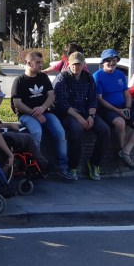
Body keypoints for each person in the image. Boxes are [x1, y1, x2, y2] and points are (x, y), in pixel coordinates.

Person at [12, 51, 75, 181]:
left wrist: (42, 108)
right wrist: (34, 113)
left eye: (41, 62)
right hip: (26, 115)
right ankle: (36, 167)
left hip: (45, 112)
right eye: (38, 62)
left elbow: (51, 96)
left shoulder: (43, 77)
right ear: (29, 63)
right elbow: (17, 103)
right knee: (36, 132)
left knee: (60, 132)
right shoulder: (19, 81)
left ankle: (62, 167)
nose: (41, 65)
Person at [52, 52, 110, 181]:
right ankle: (73, 166)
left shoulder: (88, 77)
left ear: (83, 64)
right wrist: (80, 118)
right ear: (69, 64)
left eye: (78, 64)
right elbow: (62, 103)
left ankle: (94, 163)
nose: (76, 67)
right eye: (73, 64)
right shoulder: (62, 78)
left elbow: (93, 100)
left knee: (104, 129)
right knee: (76, 130)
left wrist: (91, 116)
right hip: (68, 113)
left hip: (85, 111)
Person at [92, 49, 134, 170]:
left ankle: (126, 151)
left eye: (114, 60)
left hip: (123, 107)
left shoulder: (120, 75)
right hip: (107, 109)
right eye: (108, 60)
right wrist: (118, 111)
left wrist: (127, 107)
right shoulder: (97, 76)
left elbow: (126, 93)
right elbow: (100, 99)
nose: (111, 63)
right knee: (120, 123)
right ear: (103, 62)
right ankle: (122, 150)